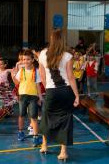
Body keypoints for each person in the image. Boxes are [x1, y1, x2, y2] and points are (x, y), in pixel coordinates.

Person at [38, 29, 79, 161]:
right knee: (65, 119)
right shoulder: (67, 55)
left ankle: (44, 145)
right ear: (63, 40)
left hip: (51, 91)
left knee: (46, 117)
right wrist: (77, 95)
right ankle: (63, 152)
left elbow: (42, 76)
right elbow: (71, 77)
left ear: (51, 39)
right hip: (66, 91)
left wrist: (48, 88)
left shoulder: (43, 54)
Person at [11, 49, 43, 147]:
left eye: (28, 59)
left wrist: (40, 97)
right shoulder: (21, 70)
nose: (25, 61)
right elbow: (17, 83)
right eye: (24, 59)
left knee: (33, 117)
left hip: (33, 96)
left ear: (32, 60)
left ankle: (35, 137)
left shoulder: (36, 71)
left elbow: (38, 85)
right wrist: (13, 76)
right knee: (21, 115)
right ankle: (20, 132)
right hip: (23, 96)